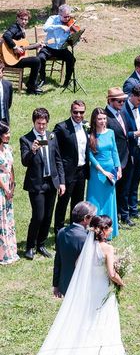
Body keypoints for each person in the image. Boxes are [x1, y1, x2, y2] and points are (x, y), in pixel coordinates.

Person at [0, 215, 129, 355]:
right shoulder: (107, 249)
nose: (111, 230)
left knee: (89, 321)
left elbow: (78, 266)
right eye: (109, 228)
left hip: (90, 292)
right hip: (102, 290)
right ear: (102, 230)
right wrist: (121, 282)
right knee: (101, 321)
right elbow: (112, 273)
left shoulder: (87, 249)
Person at [20, 108, 65, 260]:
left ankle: (41, 244)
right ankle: (30, 246)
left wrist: (61, 182)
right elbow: (24, 162)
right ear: (34, 122)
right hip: (36, 184)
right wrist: (32, 151)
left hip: (51, 183)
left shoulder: (51, 136)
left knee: (47, 216)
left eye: (44, 124)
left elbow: (58, 160)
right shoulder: (26, 139)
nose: (41, 127)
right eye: (39, 123)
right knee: (38, 216)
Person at [52, 100, 90, 233]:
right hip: (67, 173)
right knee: (62, 204)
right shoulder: (62, 127)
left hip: (82, 171)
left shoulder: (86, 126)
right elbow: (51, 143)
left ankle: (75, 231)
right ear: (71, 111)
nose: (78, 115)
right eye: (76, 112)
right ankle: (59, 233)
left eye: (81, 112)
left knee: (78, 205)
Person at [86, 108, 121, 239]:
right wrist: (103, 171)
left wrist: (118, 168)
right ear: (94, 120)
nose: (102, 121)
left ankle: (108, 230)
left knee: (109, 200)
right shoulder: (91, 135)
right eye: (99, 119)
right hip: (97, 172)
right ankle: (96, 231)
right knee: (96, 201)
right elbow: (90, 155)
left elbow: (114, 151)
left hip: (111, 171)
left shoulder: (110, 132)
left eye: (104, 118)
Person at [121, 84, 140, 223]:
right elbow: (120, 133)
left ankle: (133, 210)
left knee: (136, 181)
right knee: (127, 183)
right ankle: (124, 213)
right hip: (129, 151)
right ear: (131, 96)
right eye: (139, 100)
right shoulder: (123, 110)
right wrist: (135, 134)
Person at [53, 200, 96, 297]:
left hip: (65, 284)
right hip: (82, 286)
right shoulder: (86, 238)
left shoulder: (62, 232)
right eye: (93, 217)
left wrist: (56, 284)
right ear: (86, 218)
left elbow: (57, 260)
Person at [104, 87, 132, 226]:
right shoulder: (105, 117)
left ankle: (125, 216)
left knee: (125, 189)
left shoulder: (122, 113)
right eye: (119, 101)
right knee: (115, 191)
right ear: (110, 101)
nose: (122, 103)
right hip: (114, 159)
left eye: (123, 101)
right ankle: (115, 218)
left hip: (126, 156)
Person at [2, 10, 43, 95]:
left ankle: (31, 85)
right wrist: (14, 47)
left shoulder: (21, 29)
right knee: (36, 60)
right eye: (22, 19)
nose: (24, 21)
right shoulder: (15, 27)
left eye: (26, 19)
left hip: (17, 58)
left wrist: (36, 45)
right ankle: (32, 85)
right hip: (11, 60)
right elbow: (6, 36)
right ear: (17, 18)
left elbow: (23, 47)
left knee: (36, 61)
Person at [38, 4, 76, 89]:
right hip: (49, 48)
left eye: (68, 16)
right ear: (59, 15)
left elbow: (71, 41)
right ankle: (42, 79)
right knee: (40, 57)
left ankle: (66, 82)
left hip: (62, 48)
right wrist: (59, 26)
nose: (67, 19)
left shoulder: (70, 22)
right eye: (65, 17)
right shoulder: (52, 19)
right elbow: (45, 28)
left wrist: (76, 38)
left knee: (72, 59)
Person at [0, 121, 18, 265]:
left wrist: (12, 184)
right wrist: (5, 188)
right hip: (0, 188)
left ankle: (10, 249)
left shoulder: (8, 148)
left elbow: (11, 167)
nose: (8, 135)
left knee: (8, 216)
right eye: (6, 133)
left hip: (8, 185)